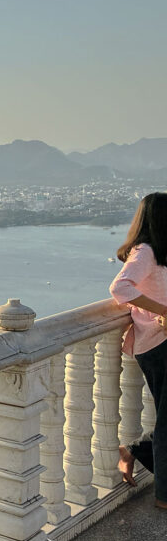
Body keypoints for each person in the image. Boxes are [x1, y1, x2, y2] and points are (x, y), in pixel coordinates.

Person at [110, 192, 167, 509]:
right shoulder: (145, 251)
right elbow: (120, 287)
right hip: (157, 345)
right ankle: (164, 495)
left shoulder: (161, 253)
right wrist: (163, 311)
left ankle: (134, 451)